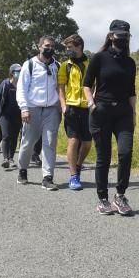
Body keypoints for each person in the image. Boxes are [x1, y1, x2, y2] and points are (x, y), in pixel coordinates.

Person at [83, 21, 136, 215]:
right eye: (119, 35)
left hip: (123, 113)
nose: (122, 39)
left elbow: (131, 91)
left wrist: (134, 115)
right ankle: (103, 198)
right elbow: (86, 84)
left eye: (125, 36)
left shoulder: (130, 63)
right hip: (101, 112)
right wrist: (91, 104)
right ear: (111, 35)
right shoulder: (99, 58)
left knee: (125, 153)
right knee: (103, 157)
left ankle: (120, 196)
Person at [16, 36, 61, 190]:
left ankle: (47, 177)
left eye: (52, 46)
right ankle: (22, 170)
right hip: (32, 109)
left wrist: (61, 107)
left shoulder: (58, 66)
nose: (50, 48)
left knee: (49, 143)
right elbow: (21, 88)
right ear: (39, 47)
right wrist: (24, 108)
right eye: (47, 45)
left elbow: (59, 89)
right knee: (28, 143)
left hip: (52, 110)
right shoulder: (29, 65)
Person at [59, 34, 92, 191]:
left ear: (79, 47)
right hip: (71, 107)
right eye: (66, 48)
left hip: (87, 108)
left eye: (69, 47)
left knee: (87, 143)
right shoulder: (65, 65)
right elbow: (60, 87)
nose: (67, 50)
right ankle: (73, 176)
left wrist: (93, 102)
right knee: (73, 140)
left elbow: (95, 84)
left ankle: (78, 166)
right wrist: (63, 106)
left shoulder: (90, 64)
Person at [0, 64, 22, 169]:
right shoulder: (5, 84)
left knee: (14, 137)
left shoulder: (23, 84)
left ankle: (11, 158)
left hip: (18, 115)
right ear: (12, 73)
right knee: (6, 135)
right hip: (4, 115)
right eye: (17, 71)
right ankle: (5, 159)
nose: (20, 73)